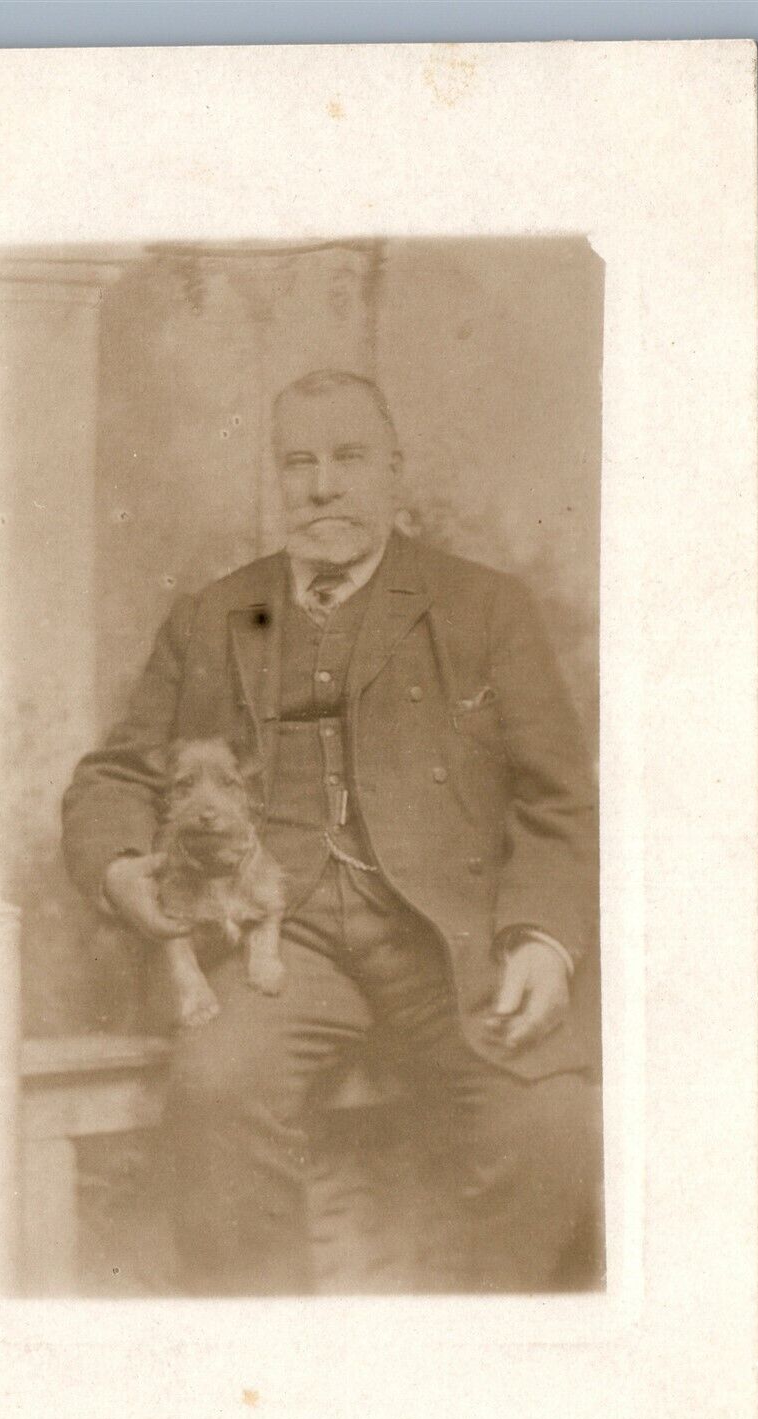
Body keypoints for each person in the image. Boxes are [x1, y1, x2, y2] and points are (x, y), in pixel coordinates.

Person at [62, 369, 602, 1295]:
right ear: (278, 478)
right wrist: (119, 871)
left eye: (349, 458)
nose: (322, 487)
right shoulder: (212, 613)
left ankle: (490, 1390)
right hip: (285, 936)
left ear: (396, 470)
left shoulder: (483, 606)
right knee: (215, 1093)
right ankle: (271, 1384)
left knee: (551, 1132)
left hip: (446, 935)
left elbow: (558, 801)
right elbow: (112, 775)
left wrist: (543, 940)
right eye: (298, 462)